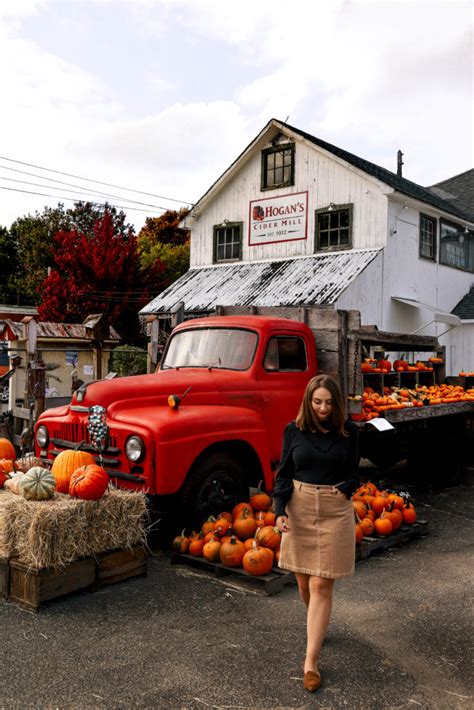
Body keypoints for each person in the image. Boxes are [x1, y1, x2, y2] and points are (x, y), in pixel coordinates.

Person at [272, 374, 359, 692]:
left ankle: (310, 661)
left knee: (322, 584)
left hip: (335, 511)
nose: (323, 408)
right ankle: (317, 624)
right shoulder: (293, 431)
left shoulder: (349, 432)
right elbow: (284, 473)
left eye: (328, 402)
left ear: (337, 404)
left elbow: (353, 473)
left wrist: (347, 488)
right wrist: (279, 511)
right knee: (305, 584)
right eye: (317, 401)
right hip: (301, 506)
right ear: (308, 402)